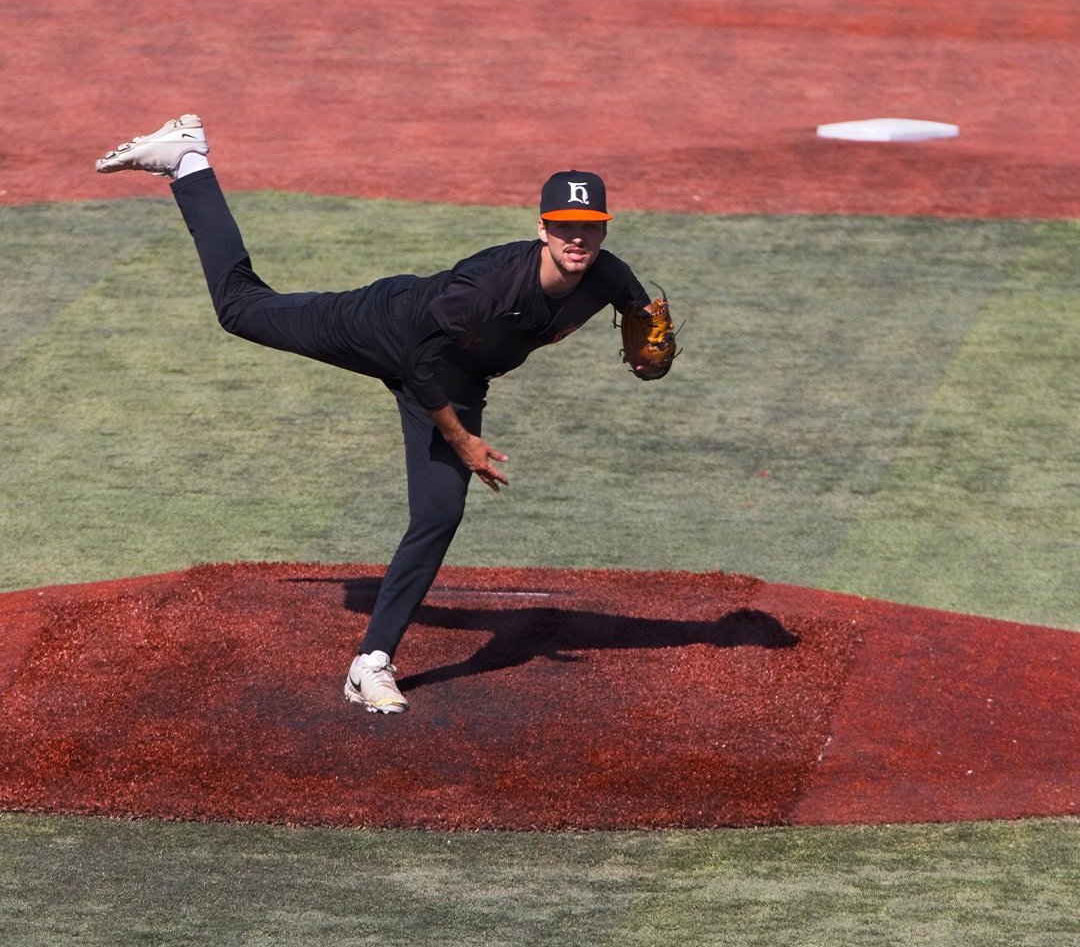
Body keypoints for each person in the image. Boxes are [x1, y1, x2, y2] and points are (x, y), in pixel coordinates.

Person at [96, 114, 671, 714]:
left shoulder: (607, 273)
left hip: (461, 375)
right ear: (542, 228)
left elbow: (641, 315)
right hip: (387, 328)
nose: (577, 239)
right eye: (565, 227)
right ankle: (187, 162)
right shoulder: (489, 288)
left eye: (590, 228)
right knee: (241, 310)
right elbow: (418, 367)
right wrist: (465, 442)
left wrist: (651, 358)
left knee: (440, 511)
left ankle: (370, 664)